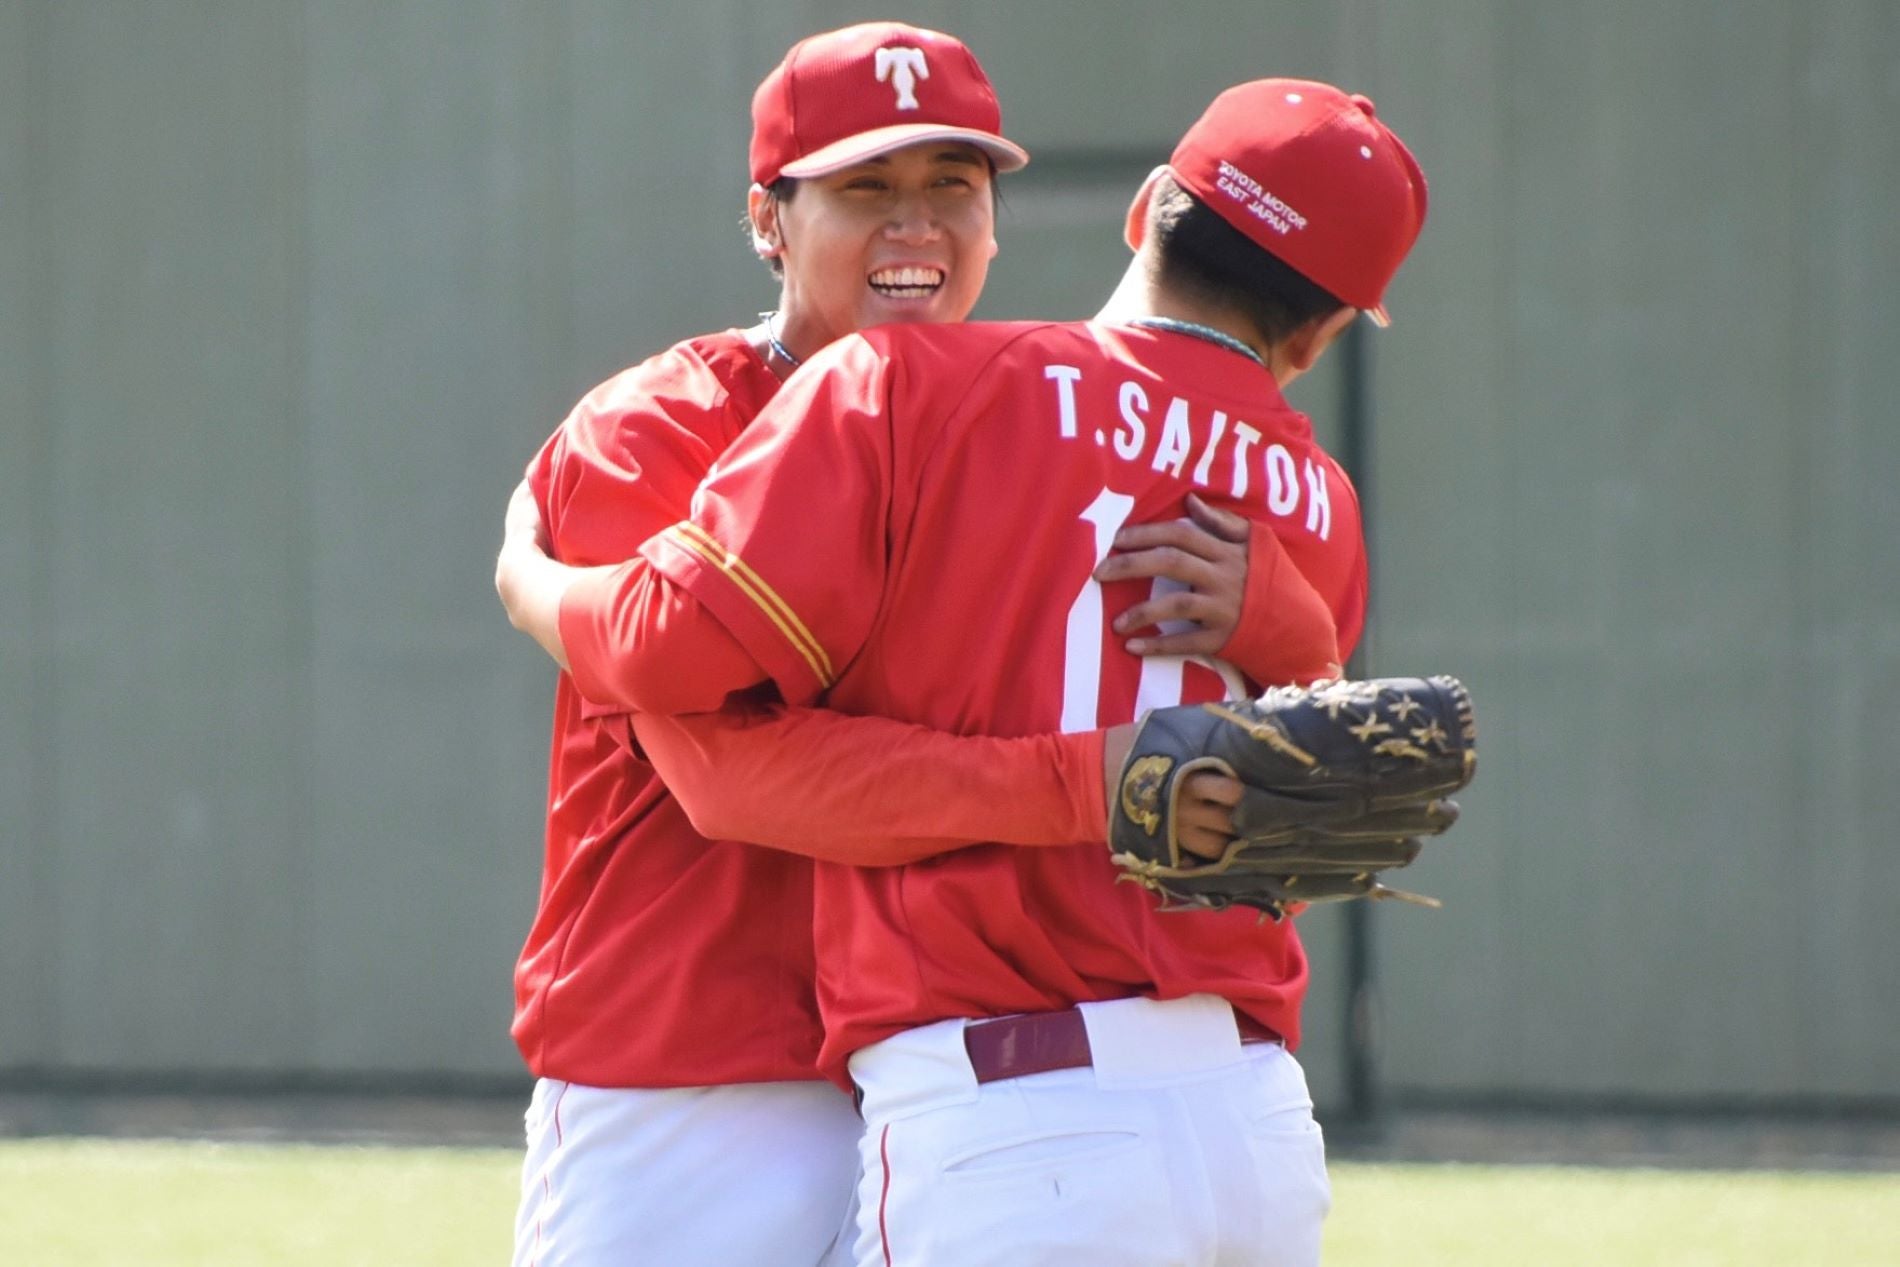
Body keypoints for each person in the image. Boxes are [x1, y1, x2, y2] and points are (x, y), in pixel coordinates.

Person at [508, 76, 1428, 1266]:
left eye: (950, 184)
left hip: (1009, 1113)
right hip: (1243, 1121)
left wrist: (529, 580)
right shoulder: (1320, 510)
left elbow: (678, 679)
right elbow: (1284, 847)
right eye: (866, 187)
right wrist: (1300, 650)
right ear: (1326, 330)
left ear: (1144, 208)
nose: (915, 222)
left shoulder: (916, 389)